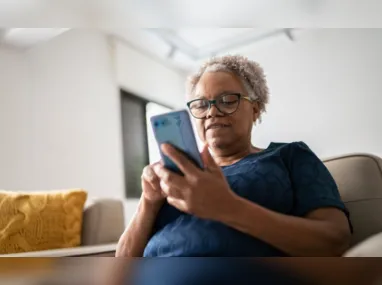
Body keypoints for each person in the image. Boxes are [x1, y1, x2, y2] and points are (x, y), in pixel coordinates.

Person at [116, 55, 352, 258]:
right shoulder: (177, 178)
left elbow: (335, 241)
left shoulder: (289, 156)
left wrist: (228, 208)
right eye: (201, 104)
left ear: (256, 108)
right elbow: (122, 262)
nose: (212, 112)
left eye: (227, 100)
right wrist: (148, 201)